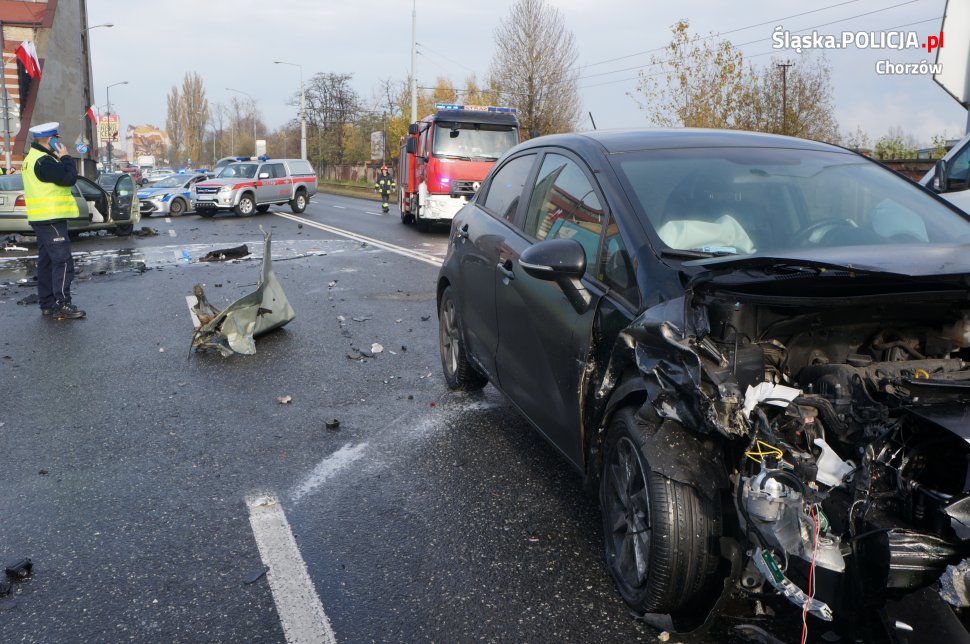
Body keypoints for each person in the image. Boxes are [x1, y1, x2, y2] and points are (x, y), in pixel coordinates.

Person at [22, 122, 85, 320]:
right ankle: (62, 304)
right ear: (50, 140)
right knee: (63, 261)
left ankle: (48, 303)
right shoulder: (44, 161)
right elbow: (69, 178)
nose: (59, 141)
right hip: (51, 218)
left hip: (41, 218)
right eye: (57, 138)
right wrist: (65, 157)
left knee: (47, 262)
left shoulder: (32, 158)